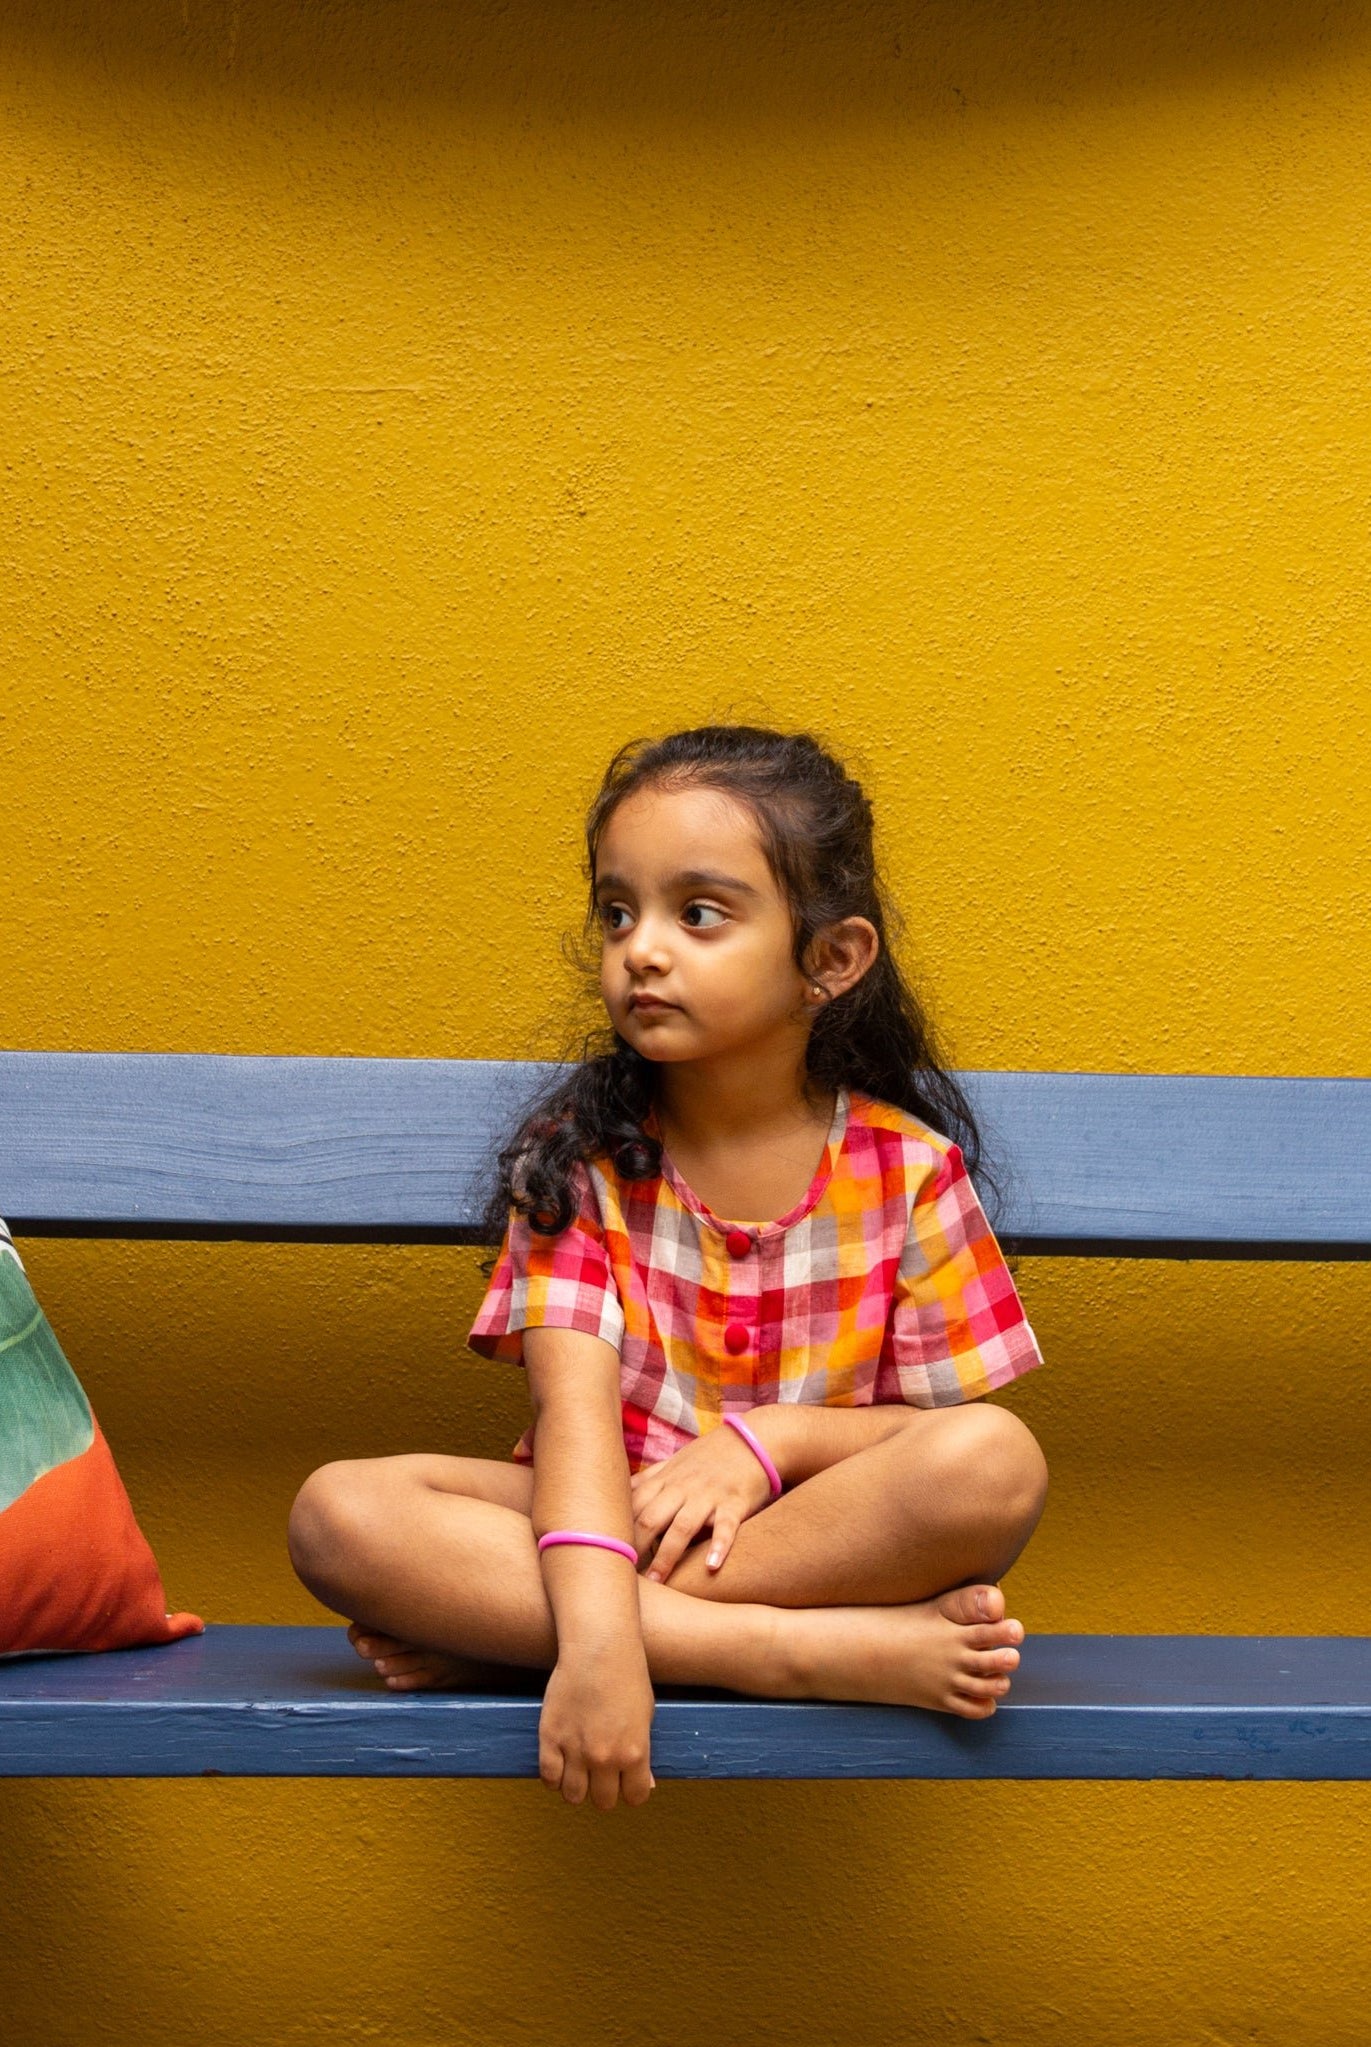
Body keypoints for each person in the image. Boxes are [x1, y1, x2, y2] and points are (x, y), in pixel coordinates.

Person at [289, 724, 1048, 1812]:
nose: (641, 948)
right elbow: (573, 1421)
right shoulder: (577, 1161)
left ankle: (520, 1629)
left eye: (697, 913)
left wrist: (767, 1442)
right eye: (617, 911)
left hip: (800, 1533)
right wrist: (600, 1633)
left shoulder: (912, 1170)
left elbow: (928, 1440)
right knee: (339, 1513)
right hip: (598, 1506)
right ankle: (786, 1653)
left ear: (831, 960)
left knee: (996, 1460)